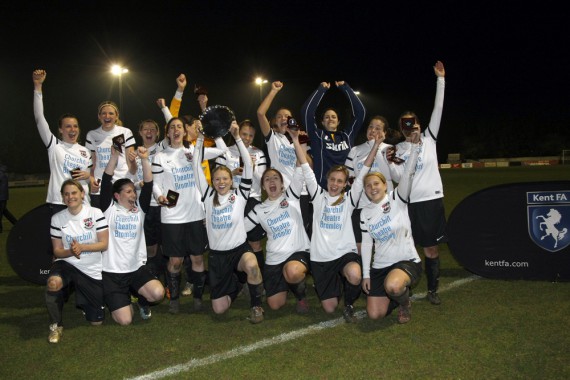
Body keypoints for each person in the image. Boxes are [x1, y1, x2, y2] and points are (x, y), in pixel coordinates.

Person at [290, 124, 382, 323]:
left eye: (340, 181)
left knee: (355, 275)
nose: (335, 184)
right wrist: (296, 141)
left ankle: (348, 305)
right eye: (332, 180)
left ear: (345, 183)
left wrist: (376, 146)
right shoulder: (317, 195)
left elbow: (365, 168)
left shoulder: (349, 199)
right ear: (327, 179)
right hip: (321, 258)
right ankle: (333, 285)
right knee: (330, 309)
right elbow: (306, 169)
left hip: (343, 253)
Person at [155, 99, 228, 312]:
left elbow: (223, 151)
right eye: (172, 127)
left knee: (197, 257)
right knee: (176, 261)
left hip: (196, 214)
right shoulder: (160, 156)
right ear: (167, 133)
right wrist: (160, 197)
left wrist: (215, 132)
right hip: (172, 216)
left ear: (185, 131)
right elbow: (157, 186)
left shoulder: (195, 150)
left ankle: (197, 297)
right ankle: (174, 299)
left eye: (179, 127)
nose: (176, 130)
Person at [194, 123, 265, 323]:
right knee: (219, 309)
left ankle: (256, 306)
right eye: (217, 179)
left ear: (231, 180)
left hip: (239, 250)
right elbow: (195, 166)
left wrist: (238, 138)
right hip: (217, 257)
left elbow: (249, 167)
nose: (222, 182)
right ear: (213, 181)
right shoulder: (208, 195)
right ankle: (236, 283)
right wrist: (200, 137)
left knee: (252, 266)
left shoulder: (240, 195)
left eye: (225, 178)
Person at [391, 61, 446, 305]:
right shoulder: (397, 150)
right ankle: (404, 286)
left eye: (411, 121)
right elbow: (397, 179)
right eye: (404, 123)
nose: (408, 126)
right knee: (405, 248)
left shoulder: (429, 138)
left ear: (419, 123)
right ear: (399, 128)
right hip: (407, 205)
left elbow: (439, 107)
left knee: (431, 250)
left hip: (431, 200)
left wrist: (440, 80)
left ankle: (433, 289)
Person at [360, 128, 422, 324]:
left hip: (405, 261)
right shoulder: (365, 212)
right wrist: (366, 275)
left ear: (385, 185)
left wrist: (415, 148)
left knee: (394, 286)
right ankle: (395, 296)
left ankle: (404, 302)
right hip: (380, 266)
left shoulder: (397, 198)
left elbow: (409, 174)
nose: (372, 188)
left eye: (376, 183)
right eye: (368, 186)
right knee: (375, 314)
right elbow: (367, 245)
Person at [100, 145, 165, 325]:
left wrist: (144, 159)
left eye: (133, 191)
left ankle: (140, 299)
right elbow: (106, 181)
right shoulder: (108, 209)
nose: (133, 195)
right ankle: (118, 299)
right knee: (125, 320)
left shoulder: (139, 210)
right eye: (128, 192)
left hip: (135, 269)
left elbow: (149, 184)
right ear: (116, 196)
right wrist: (113, 158)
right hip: (112, 273)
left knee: (158, 293)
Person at [46, 179, 109, 343]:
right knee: (53, 283)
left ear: (82, 194)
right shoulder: (57, 219)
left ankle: (83, 299)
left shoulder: (95, 213)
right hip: (67, 263)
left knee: (97, 322)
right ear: (62, 197)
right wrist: (71, 251)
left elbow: (104, 243)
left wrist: (82, 247)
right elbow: (57, 250)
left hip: (91, 268)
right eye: (66, 194)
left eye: (74, 193)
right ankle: (55, 325)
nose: (70, 197)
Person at [244, 166, 311, 313]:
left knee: (292, 271)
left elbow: (300, 169)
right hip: (274, 259)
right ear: (263, 186)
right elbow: (241, 228)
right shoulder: (259, 209)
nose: (271, 181)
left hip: (297, 252)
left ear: (282, 184)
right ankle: (287, 283)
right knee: (275, 304)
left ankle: (301, 297)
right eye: (267, 179)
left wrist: (299, 144)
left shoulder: (291, 196)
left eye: (275, 178)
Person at [256, 81, 313, 236]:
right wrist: (273, 91)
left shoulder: (298, 139)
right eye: (279, 116)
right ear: (275, 121)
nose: (283, 118)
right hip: (282, 193)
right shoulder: (273, 139)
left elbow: (308, 166)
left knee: (303, 232)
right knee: (285, 232)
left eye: (287, 116)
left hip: (301, 193)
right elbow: (260, 114)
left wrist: (301, 145)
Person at [32, 69, 92, 214]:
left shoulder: (85, 151)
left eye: (75, 126)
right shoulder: (54, 145)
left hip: (83, 204)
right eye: (68, 126)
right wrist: (37, 87)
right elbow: (39, 118)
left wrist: (88, 176)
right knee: (59, 237)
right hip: (59, 202)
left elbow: (90, 179)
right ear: (60, 130)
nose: (73, 129)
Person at [215, 119, 268, 270]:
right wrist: (232, 173)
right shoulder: (226, 151)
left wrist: (252, 167)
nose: (247, 138)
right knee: (233, 242)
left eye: (251, 135)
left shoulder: (258, 153)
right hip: (232, 201)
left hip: (253, 200)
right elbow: (216, 177)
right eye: (244, 134)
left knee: (255, 243)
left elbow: (263, 181)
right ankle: (238, 279)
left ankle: (260, 278)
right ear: (237, 133)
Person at [345, 115, 395, 254]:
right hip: (361, 206)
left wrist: (378, 147)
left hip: (385, 207)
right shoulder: (355, 150)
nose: (373, 130)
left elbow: (392, 176)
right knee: (360, 248)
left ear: (385, 133)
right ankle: (362, 274)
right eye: (370, 127)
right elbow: (348, 177)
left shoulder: (390, 149)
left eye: (378, 128)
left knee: (386, 247)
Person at [301, 80, 366, 188]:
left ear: (338, 121)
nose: (330, 119)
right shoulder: (317, 136)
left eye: (333, 117)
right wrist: (320, 90)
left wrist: (346, 88)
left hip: (345, 189)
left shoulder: (347, 135)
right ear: (322, 122)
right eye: (326, 117)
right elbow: (306, 112)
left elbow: (361, 112)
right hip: (322, 189)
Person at [126, 119, 166, 282]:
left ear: (157, 133)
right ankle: (151, 273)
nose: (149, 132)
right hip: (144, 206)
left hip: (164, 204)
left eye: (152, 129)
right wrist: (139, 184)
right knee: (150, 245)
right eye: (145, 129)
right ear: (140, 133)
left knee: (166, 244)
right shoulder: (133, 154)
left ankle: (165, 275)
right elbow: (130, 179)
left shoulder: (163, 149)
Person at [86, 100, 136, 209]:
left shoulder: (126, 132)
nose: (107, 116)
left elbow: (132, 168)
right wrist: (91, 181)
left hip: (122, 187)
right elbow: (92, 165)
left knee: (123, 223)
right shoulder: (92, 135)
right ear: (99, 116)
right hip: (101, 187)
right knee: (101, 224)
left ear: (116, 116)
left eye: (111, 113)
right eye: (103, 113)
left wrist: (133, 161)